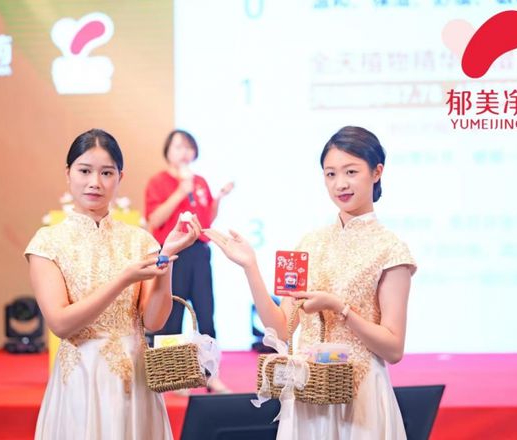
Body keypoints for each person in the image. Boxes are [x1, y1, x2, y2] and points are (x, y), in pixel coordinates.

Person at [205, 126, 416, 439]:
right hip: (307, 394)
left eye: (351, 171)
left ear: (377, 172)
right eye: (330, 174)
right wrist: (250, 267)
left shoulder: (391, 249)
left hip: (360, 400)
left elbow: (393, 348)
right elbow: (281, 329)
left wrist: (340, 308)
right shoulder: (308, 244)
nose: (340, 183)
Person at [25, 129, 201, 439]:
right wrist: (122, 280)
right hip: (79, 379)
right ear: (68, 173)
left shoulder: (140, 241)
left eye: (106, 173)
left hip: (134, 379)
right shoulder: (47, 242)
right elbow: (60, 324)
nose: (95, 182)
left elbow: (154, 321)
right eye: (85, 171)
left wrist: (167, 257)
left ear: (120, 177)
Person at [144, 129, 233, 393]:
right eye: (178, 147)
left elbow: (206, 220)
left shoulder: (200, 182)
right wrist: (180, 191)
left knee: (206, 312)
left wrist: (218, 199)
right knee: (171, 314)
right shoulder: (158, 182)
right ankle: (172, 375)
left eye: (188, 147)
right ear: (167, 151)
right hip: (173, 254)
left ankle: (210, 374)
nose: (184, 152)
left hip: (199, 252)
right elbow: (154, 220)